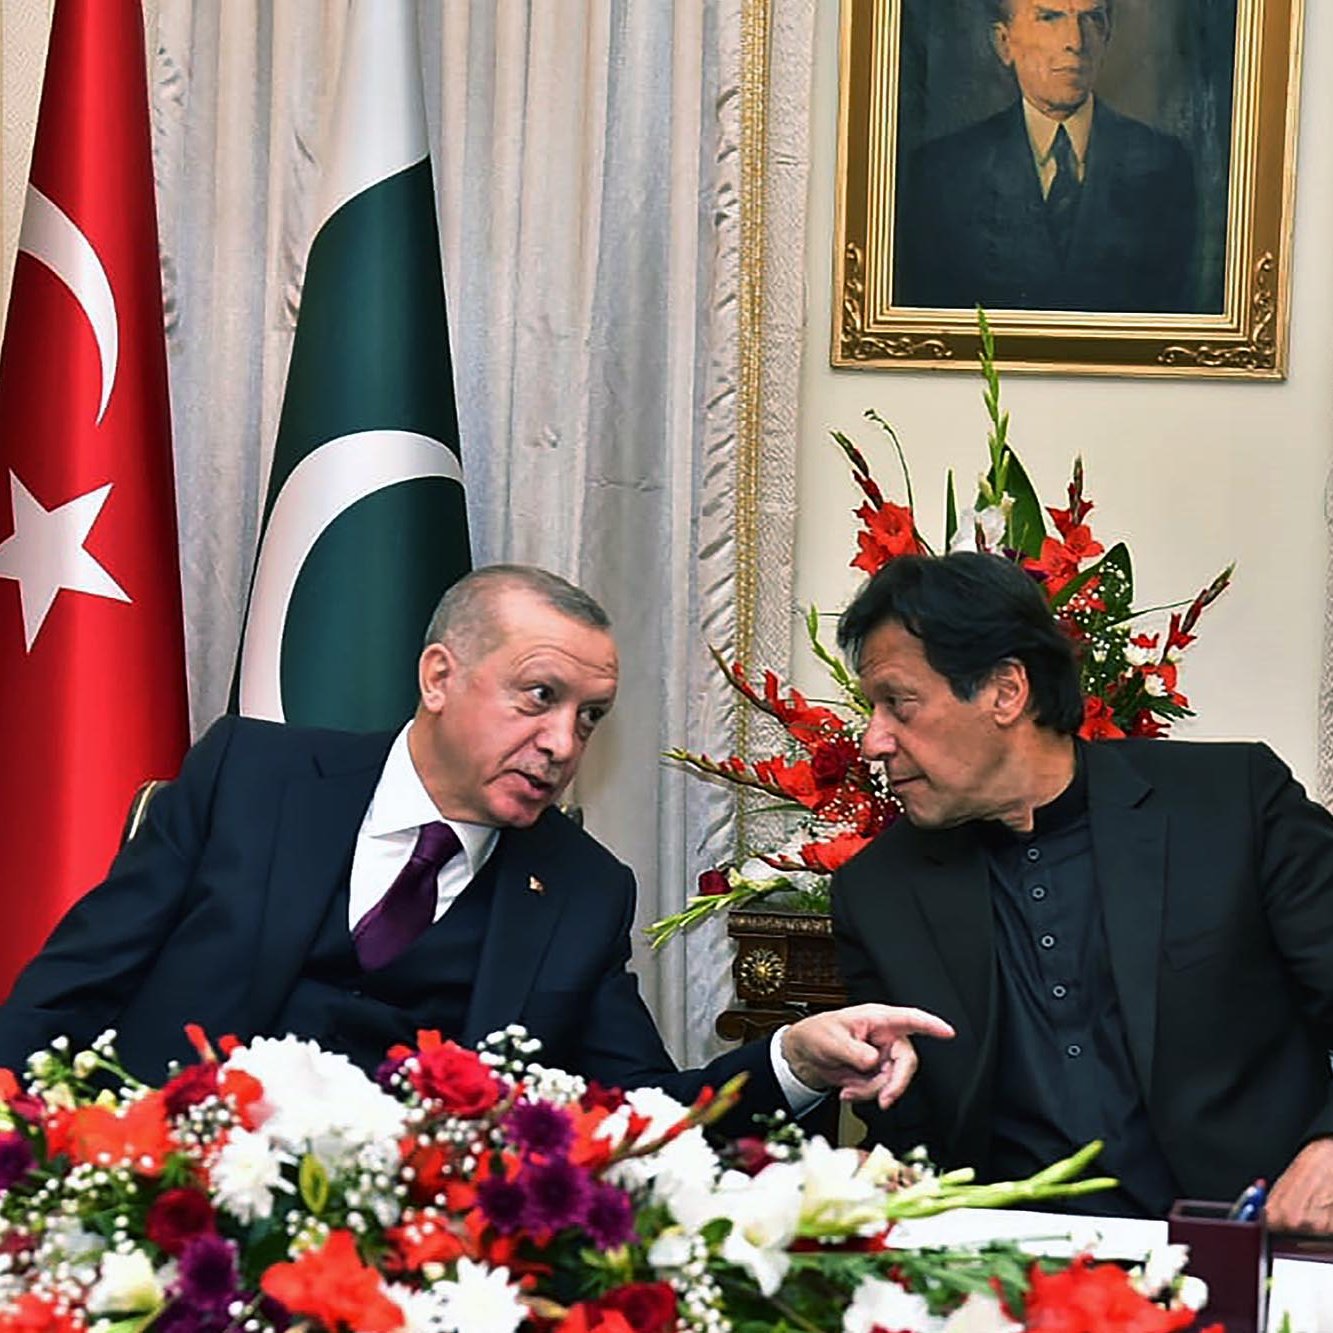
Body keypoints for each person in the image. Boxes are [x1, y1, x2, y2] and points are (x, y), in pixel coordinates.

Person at [0, 564, 953, 1134]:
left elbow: (641, 1111)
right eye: (539, 696)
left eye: (590, 717)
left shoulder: (581, 891)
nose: (563, 743)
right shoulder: (252, 776)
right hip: (170, 1203)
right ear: (438, 677)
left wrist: (793, 1060)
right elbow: (68, 992)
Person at [830, 551, 1333, 1231]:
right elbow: (908, 1131)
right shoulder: (878, 893)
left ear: (1005, 691)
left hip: (1249, 1244)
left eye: (898, 704)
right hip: (1014, 1266)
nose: (872, 740)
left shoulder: (1231, 803)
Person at [894, 0, 1202, 313]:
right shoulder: (942, 172)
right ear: (1004, 43)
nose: (1075, 42)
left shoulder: (1165, 164)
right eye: (1050, 17)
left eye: (1092, 18)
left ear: (1106, 34)